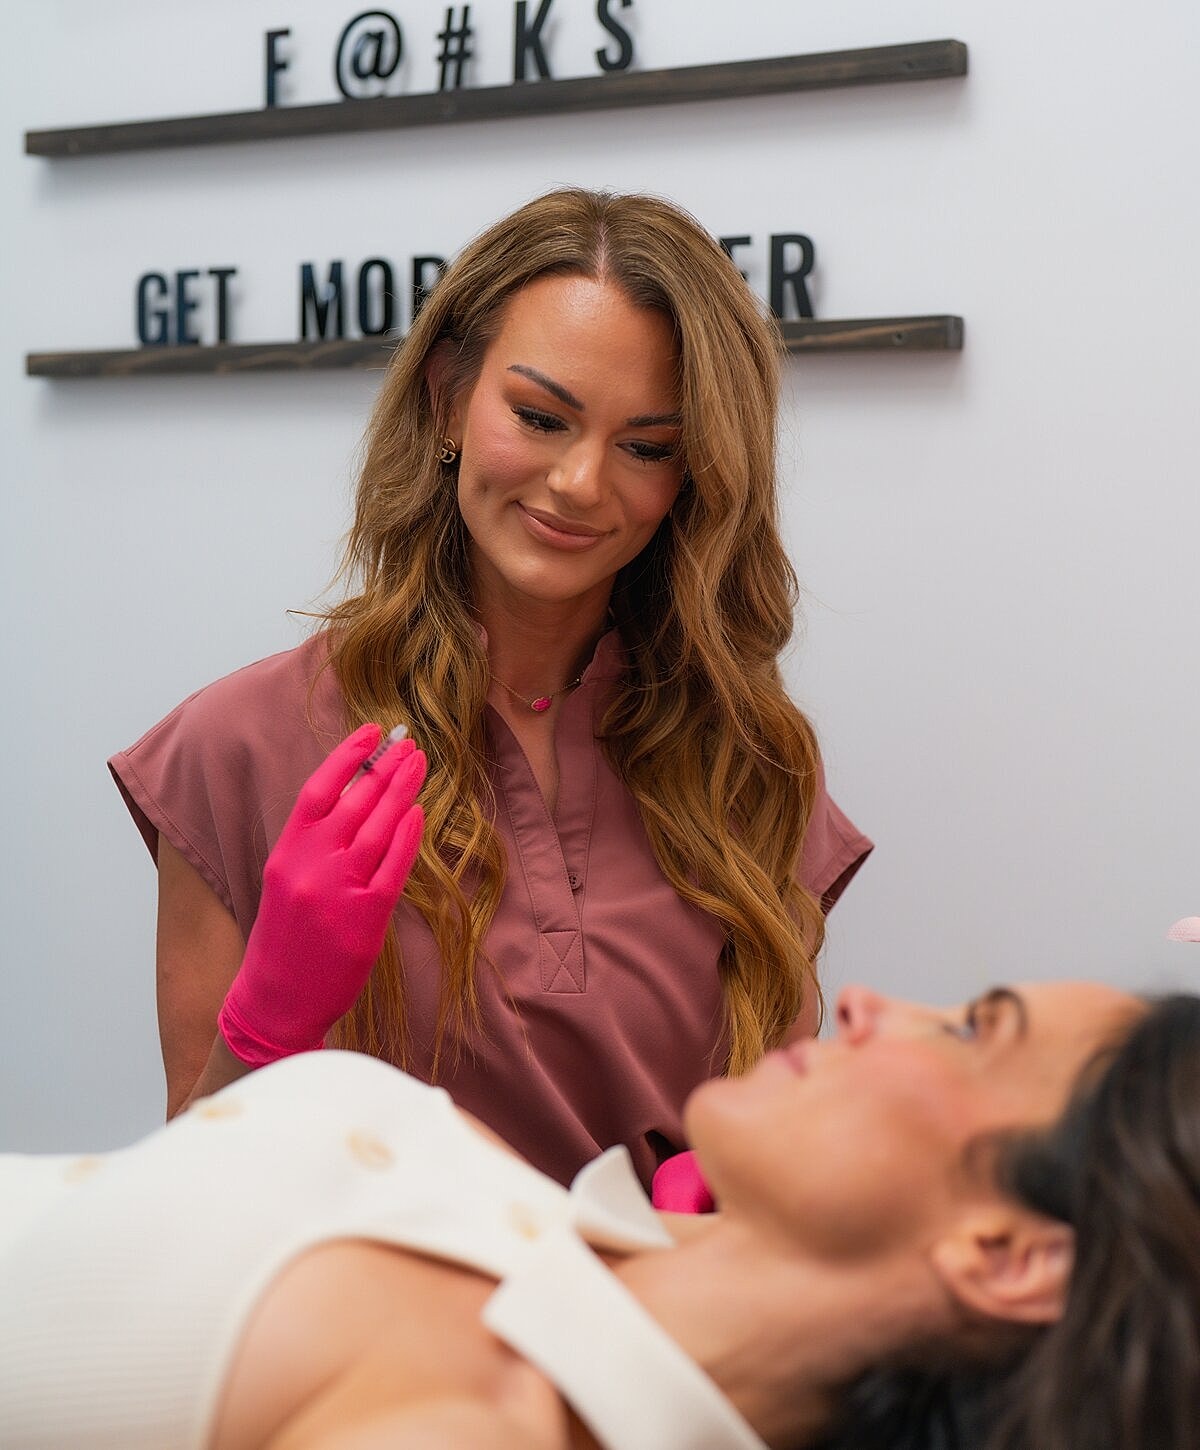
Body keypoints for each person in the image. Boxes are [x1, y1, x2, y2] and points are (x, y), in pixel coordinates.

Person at [0, 731, 1157, 1448]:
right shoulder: (572, 1253)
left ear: (1010, 1254)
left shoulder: (471, 1418)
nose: (863, 1001)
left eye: (968, 1028)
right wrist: (255, 1040)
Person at [108, 187, 872, 1186]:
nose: (581, 483)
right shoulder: (236, 744)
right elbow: (178, 1213)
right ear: (446, 401)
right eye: (541, 416)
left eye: (646, 446)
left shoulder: (752, 763)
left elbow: (781, 1182)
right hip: (372, 1340)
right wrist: (267, 1026)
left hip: (658, 1333)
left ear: (694, 477)